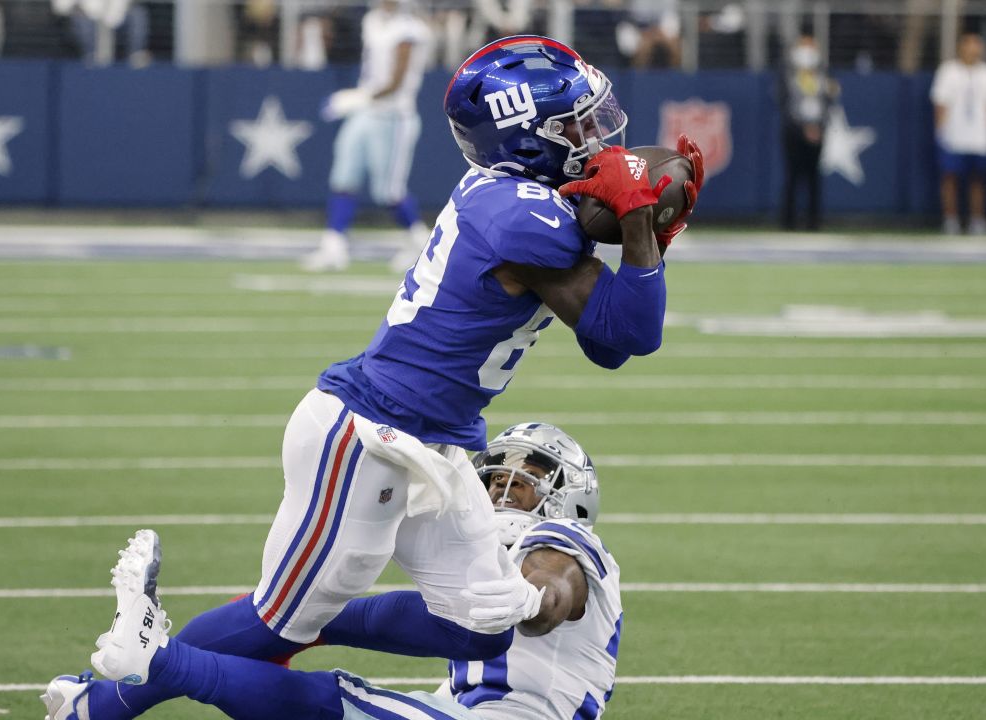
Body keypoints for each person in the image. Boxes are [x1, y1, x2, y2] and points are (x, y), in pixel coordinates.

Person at [40, 35, 702, 720]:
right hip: (368, 432)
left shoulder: (524, 205)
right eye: (577, 125)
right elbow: (623, 307)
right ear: (528, 136)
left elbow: (620, 340)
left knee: (481, 622)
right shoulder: (518, 214)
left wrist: (643, 231)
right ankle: (118, 691)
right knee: (276, 623)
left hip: (436, 442)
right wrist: (634, 213)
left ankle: (142, 682)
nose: (597, 139)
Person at [41, 423, 622, 720]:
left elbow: (556, 587)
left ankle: (158, 659)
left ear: (566, 495)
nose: (500, 488)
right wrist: (300, 620)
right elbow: (377, 618)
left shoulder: (567, 542)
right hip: (461, 710)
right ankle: (103, 704)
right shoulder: (479, 561)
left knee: (333, 699)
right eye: (495, 477)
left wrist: (530, 598)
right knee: (300, 615)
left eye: (521, 479)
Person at [301, 0, 434, 273]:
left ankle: (422, 244)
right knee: (343, 176)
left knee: (388, 191)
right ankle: (334, 246)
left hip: (394, 117)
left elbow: (396, 82)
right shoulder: (371, 20)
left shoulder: (410, 29)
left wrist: (357, 98)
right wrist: (362, 98)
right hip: (367, 112)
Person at [931, 31, 986, 235]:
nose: (973, 49)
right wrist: (940, 131)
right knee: (950, 177)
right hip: (954, 134)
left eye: (976, 44)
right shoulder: (948, 71)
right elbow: (940, 103)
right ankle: (950, 219)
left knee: (978, 179)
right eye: (969, 44)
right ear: (961, 47)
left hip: (980, 136)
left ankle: (977, 220)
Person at [777, 32, 836, 231]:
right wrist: (803, 127)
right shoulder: (788, 71)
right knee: (793, 176)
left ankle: (814, 221)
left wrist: (819, 126)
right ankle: (789, 221)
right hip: (794, 131)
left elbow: (828, 101)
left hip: (818, 130)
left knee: (813, 177)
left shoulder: (823, 72)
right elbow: (784, 102)